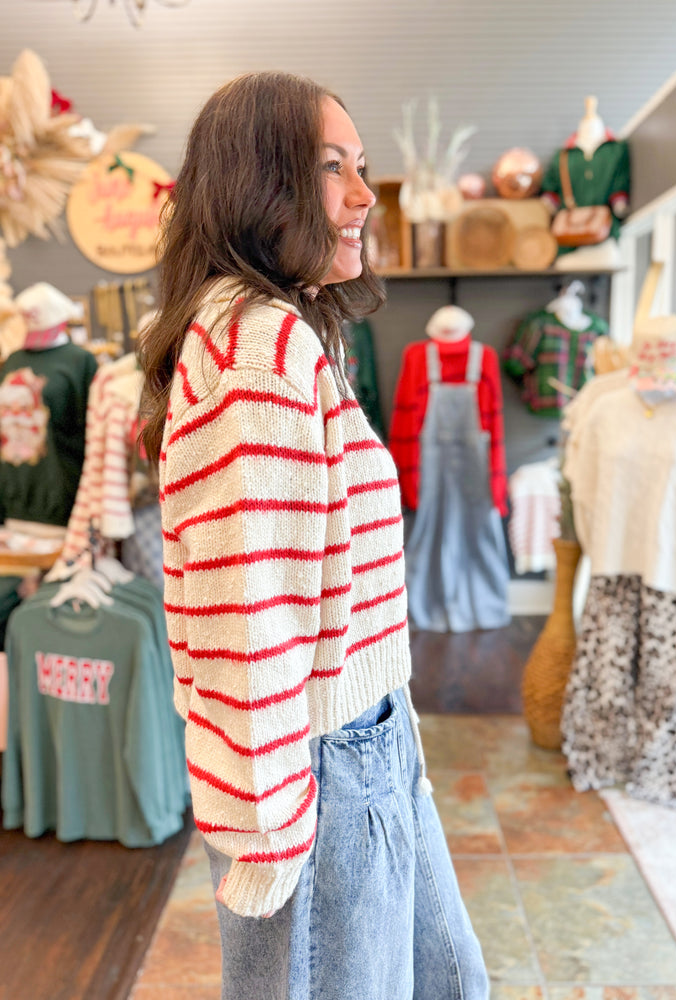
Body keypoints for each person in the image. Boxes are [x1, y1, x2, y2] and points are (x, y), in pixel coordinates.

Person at [139, 71, 489, 1000]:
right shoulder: (258, 351)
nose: (365, 196)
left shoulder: (281, 337)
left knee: (448, 981)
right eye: (333, 167)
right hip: (322, 776)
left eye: (361, 166)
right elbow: (246, 616)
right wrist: (265, 841)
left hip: (363, 744)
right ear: (264, 182)